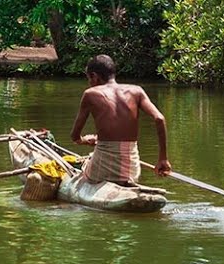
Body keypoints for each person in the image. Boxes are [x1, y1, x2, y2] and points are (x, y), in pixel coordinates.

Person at [70, 54, 172, 185]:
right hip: (131, 169)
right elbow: (159, 118)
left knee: (82, 174)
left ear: (94, 76)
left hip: (102, 167)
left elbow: (74, 136)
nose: (89, 83)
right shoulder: (137, 91)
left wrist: (83, 140)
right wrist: (163, 159)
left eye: (89, 79)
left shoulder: (90, 94)